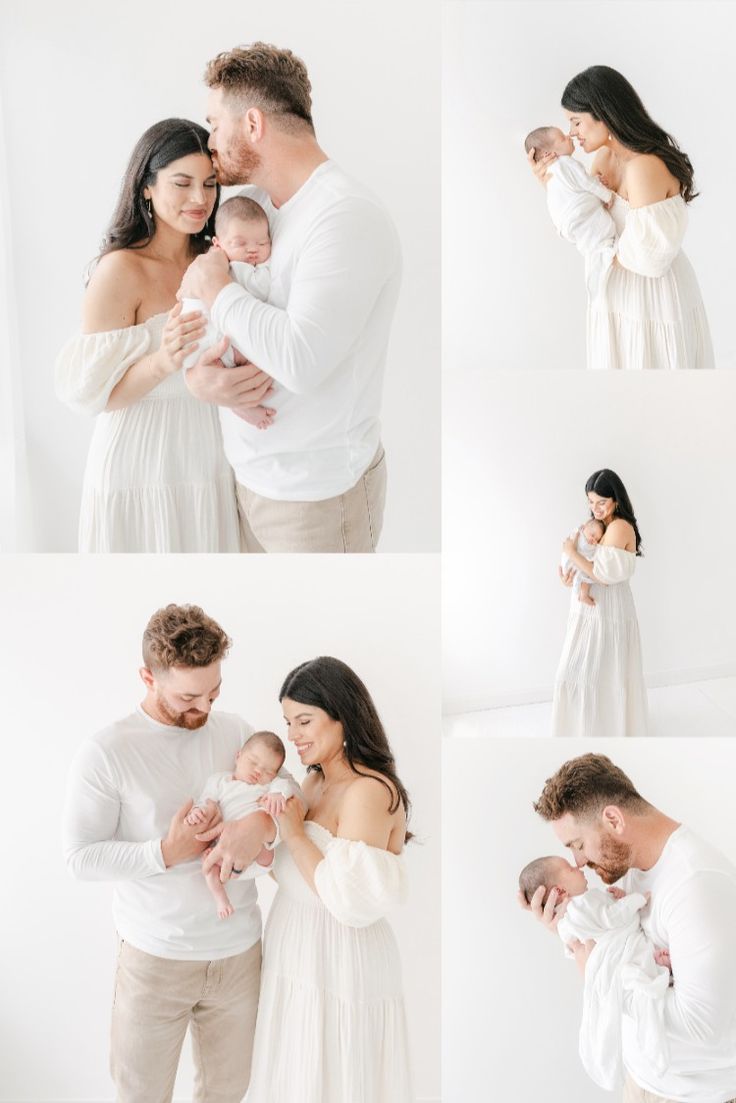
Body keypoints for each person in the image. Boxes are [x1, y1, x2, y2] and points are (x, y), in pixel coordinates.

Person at [62, 604, 301, 1103]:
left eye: (214, 692)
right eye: (189, 696)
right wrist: (164, 852)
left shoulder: (236, 732)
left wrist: (259, 825)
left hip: (239, 956)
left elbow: (287, 796)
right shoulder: (107, 751)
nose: (206, 709)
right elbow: (80, 857)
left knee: (228, 1093)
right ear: (147, 677)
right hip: (155, 961)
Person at [181, 43, 401, 553]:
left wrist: (217, 287)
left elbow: (300, 360)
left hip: (318, 500)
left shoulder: (345, 217)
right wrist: (200, 380)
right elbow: (207, 319)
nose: (210, 141)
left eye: (215, 124)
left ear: (253, 124)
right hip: (245, 479)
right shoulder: (251, 206)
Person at [197, 656, 413, 1101]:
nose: (292, 736)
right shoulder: (309, 784)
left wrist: (293, 833)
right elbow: (291, 872)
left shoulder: (369, 791)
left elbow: (347, 900)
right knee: (294, 1075)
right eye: (288, 722)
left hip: (339, 956)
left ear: (342, 716)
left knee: (334, 1078)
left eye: (304, 721)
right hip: (294, 945)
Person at [55, 119, 272, 552]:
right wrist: (163, 360)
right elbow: (91, 395)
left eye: (209, 184)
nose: (199, 199)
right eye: (182, 183)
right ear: (147, 187)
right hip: (140, 462)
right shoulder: (120, 270)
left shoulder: (219, 258)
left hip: (208, 458)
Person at [521, 753, 736, 1103]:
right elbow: (624, 949)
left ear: (613, 819)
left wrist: (598, 977)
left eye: (577, 844)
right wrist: (569, 930)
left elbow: (701, 1027)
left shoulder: (697, 886)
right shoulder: (631, 867)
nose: (577, 861)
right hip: (643, 1083)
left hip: (695, 1095)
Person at [527, 66, 714, 369]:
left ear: (604, 114)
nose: (571, 133)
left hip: (651, 298)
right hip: (616, 296)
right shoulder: (605, 157)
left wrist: (600, 247)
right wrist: (553, 183)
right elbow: (585, 221)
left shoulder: (644, 167)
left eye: (576, 121)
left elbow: (648, 258)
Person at [519, 855, 670, 1091]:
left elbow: (598, 923)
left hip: (643, 1076)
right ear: (559, 890)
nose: (578, 866)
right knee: (633, 967)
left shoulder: (572, 915)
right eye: (570, 867)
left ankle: (655, 964)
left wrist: (616, 899)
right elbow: (612, 918)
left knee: (634, 972)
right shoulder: (581, 904)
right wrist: (637, 900)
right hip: (616, 950)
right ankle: (655, 966)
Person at [553, 468, 648, 737]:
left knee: (600, 677)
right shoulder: (600, 526)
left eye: (601, 502)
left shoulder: (619, 526)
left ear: (616, 500)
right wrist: (569, 575)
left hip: (608, 612)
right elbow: (587, 563)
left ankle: (603, 734)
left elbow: (602, 576)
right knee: (582, 675)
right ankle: (581, 734)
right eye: (591, 503)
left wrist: (571, 552)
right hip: (591, 612)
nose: (595, 509)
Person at [181, 195, 276, 430]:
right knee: (243, 360)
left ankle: (239, 405)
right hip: (208, 336)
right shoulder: (237, 268)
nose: (252, 250)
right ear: (218, 243)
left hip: (199, 344)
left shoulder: (210, 263)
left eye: (262, 243)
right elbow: (262, 288)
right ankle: (242, 405)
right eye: (240, 243)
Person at [186, 730, 291, 918]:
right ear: (238, 756)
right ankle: (221, 899)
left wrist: (278, 794)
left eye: (268, 771)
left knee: (269, 852)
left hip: (257, 853)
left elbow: (285, 786)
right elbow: (206, 801)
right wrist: (197, 812)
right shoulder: (220, 781)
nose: (259, 772)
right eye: (253, 762)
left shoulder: (267, 787)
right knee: (208, 865)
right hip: (223, 846)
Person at [524, 125, 616, 298]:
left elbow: (575, 188)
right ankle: (603, 265)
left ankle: (596, 275)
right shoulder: (567, 163)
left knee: (591, 248)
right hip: (578, 215)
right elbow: (586, 183)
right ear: (548, 154)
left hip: (566, 223)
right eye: (562, 138)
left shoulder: (551, 174)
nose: (569, 136)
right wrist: (606, 196)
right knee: (604, 235)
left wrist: (595, 181)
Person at [559, 516, 605, 606]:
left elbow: (593, 556)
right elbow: (568, 544)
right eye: (592, 535)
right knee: (585, 576)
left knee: (585, 576)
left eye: (597, 539)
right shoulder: (579, 534)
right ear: (584, 528)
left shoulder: (592, 545)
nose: (593, 540)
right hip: (570, 562)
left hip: (576, 565)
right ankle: (582, 594)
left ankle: (583, 595)